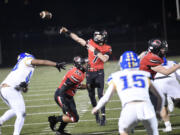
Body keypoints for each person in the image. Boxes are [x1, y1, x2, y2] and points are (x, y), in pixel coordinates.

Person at [92, 51, 162, 135]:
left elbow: (106, 97)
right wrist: (158, 111)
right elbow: (160, 96)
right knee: (153, 133)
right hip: (147, 107)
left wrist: (97, 108)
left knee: (123, 131)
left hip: (129, 107)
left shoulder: (116, 76)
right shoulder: (145, 75)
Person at [0, 52, 66, 135]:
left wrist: (23, 87)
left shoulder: (26, 69)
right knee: (21, 113)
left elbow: (25, 90)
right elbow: (42, 62)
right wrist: (56, 64)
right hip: (9, 89)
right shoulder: (26, 60)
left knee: (16, 110)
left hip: (7, 89)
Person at [59, 27, 112, 126]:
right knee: (91, 95)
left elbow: (104, 59)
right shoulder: (90, 42)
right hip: (89, 73)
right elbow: (78, 39)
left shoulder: (107, 47)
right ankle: (96, 115)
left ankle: (103, 116)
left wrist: (95, 51)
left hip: (99, 73)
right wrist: (67, 31)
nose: (96, 37)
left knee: (101, 95)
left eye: (98, 35)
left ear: (103, 37)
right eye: (96, 35)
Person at [48, 56, 88, 135]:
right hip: (62, 96)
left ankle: (60, 131)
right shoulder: (77, 74)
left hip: (68, 96)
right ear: (79, 65)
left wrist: (89, 86)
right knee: (73, 118)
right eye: (83, 64)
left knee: (71, 116)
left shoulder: (79, 72)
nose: (86, 65)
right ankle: (54, 119)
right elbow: (63, 89)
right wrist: (64, 104)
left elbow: (77, 86)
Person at [154, 57, 180, 132]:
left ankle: (168, 126)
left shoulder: (151, 64)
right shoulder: (173, 63)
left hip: (158, 83)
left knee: (163, 107)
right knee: (178, 103)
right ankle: (171, 98)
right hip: (171, 81)